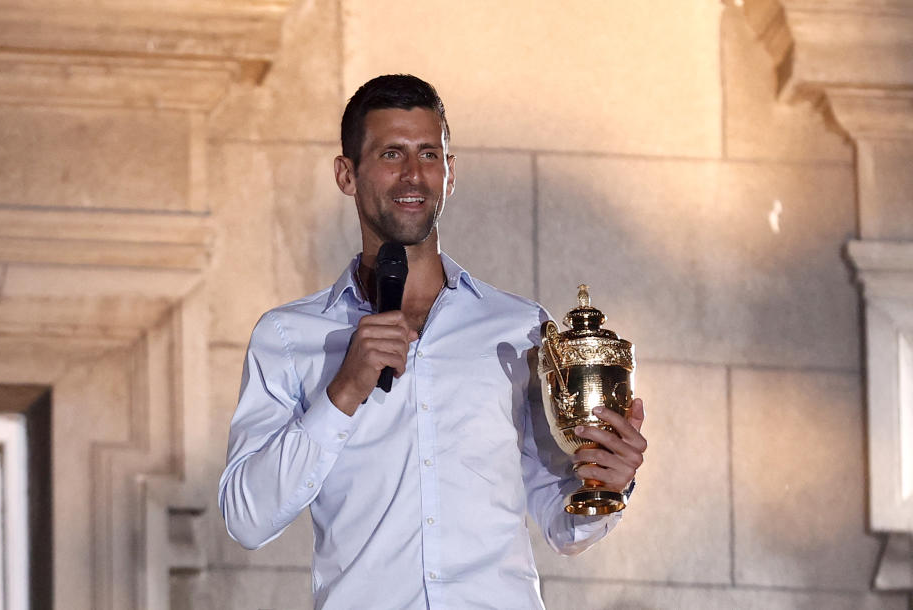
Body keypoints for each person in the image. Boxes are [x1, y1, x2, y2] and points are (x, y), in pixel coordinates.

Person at [219, 74, 647, 609]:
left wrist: (607, 485)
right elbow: (246, 518)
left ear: (450, 173)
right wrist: (343, 392)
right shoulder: (288, 337)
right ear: (346, 174)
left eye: (429, 153)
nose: (413, 174)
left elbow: (565, 525)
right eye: (391, 153)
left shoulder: (520, 329)